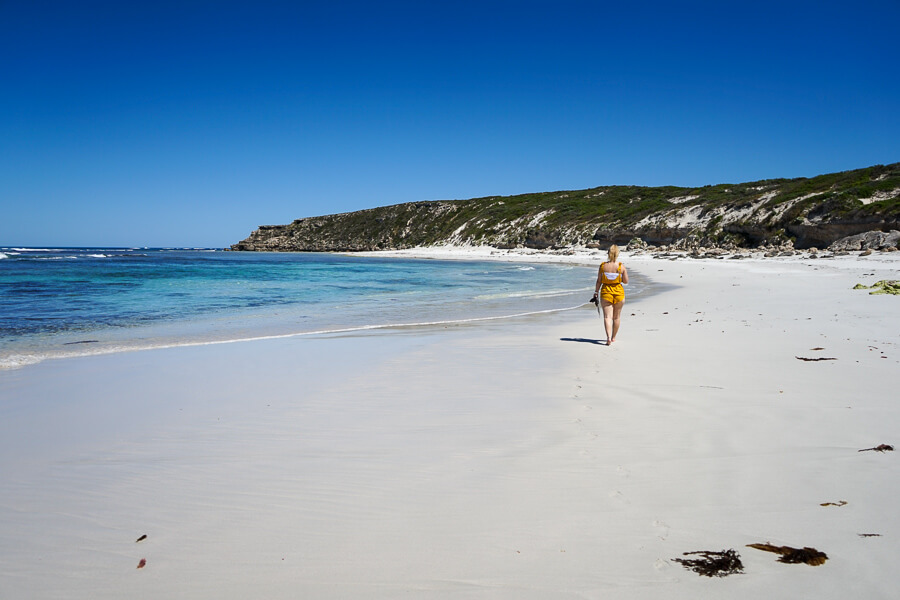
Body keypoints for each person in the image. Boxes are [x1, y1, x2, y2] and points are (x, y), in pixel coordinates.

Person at [592, 244, 629, 345]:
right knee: (616, 317)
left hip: (606, 292)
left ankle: (608, 337)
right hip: (619, 293)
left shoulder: (603, 266)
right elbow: (625, 281)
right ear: (617, 254)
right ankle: (613, 337)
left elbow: (599, 281)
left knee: (607, 317)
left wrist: (596, 292)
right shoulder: (621, 266)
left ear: (608, 253)